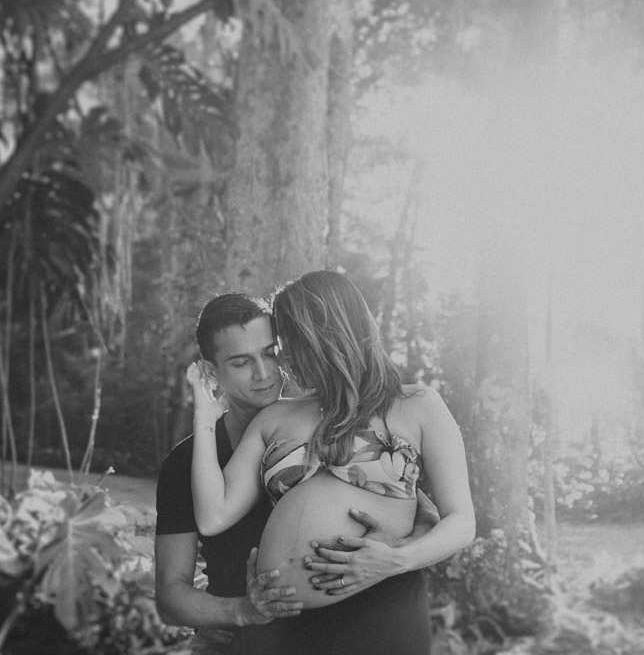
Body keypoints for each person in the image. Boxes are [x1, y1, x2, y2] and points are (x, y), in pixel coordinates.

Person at [190, 271, 475, 655]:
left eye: (292, 342)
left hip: (382, 612)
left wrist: (396, 559)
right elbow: (213, 516)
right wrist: (204, 416)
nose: (284, 357)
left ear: (327, 336)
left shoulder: (417, 405)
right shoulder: (274, 417)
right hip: (284, 627)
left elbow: (462, 522)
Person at [154, 294, 302, 655]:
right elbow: (171, 596)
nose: (264, 373)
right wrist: (243, 611)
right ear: (210, 371)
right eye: (241, 361)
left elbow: (414, 507)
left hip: (326, 629)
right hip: (231, 634)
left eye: (270, 353)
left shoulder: (320, 426)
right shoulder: (184, 462)